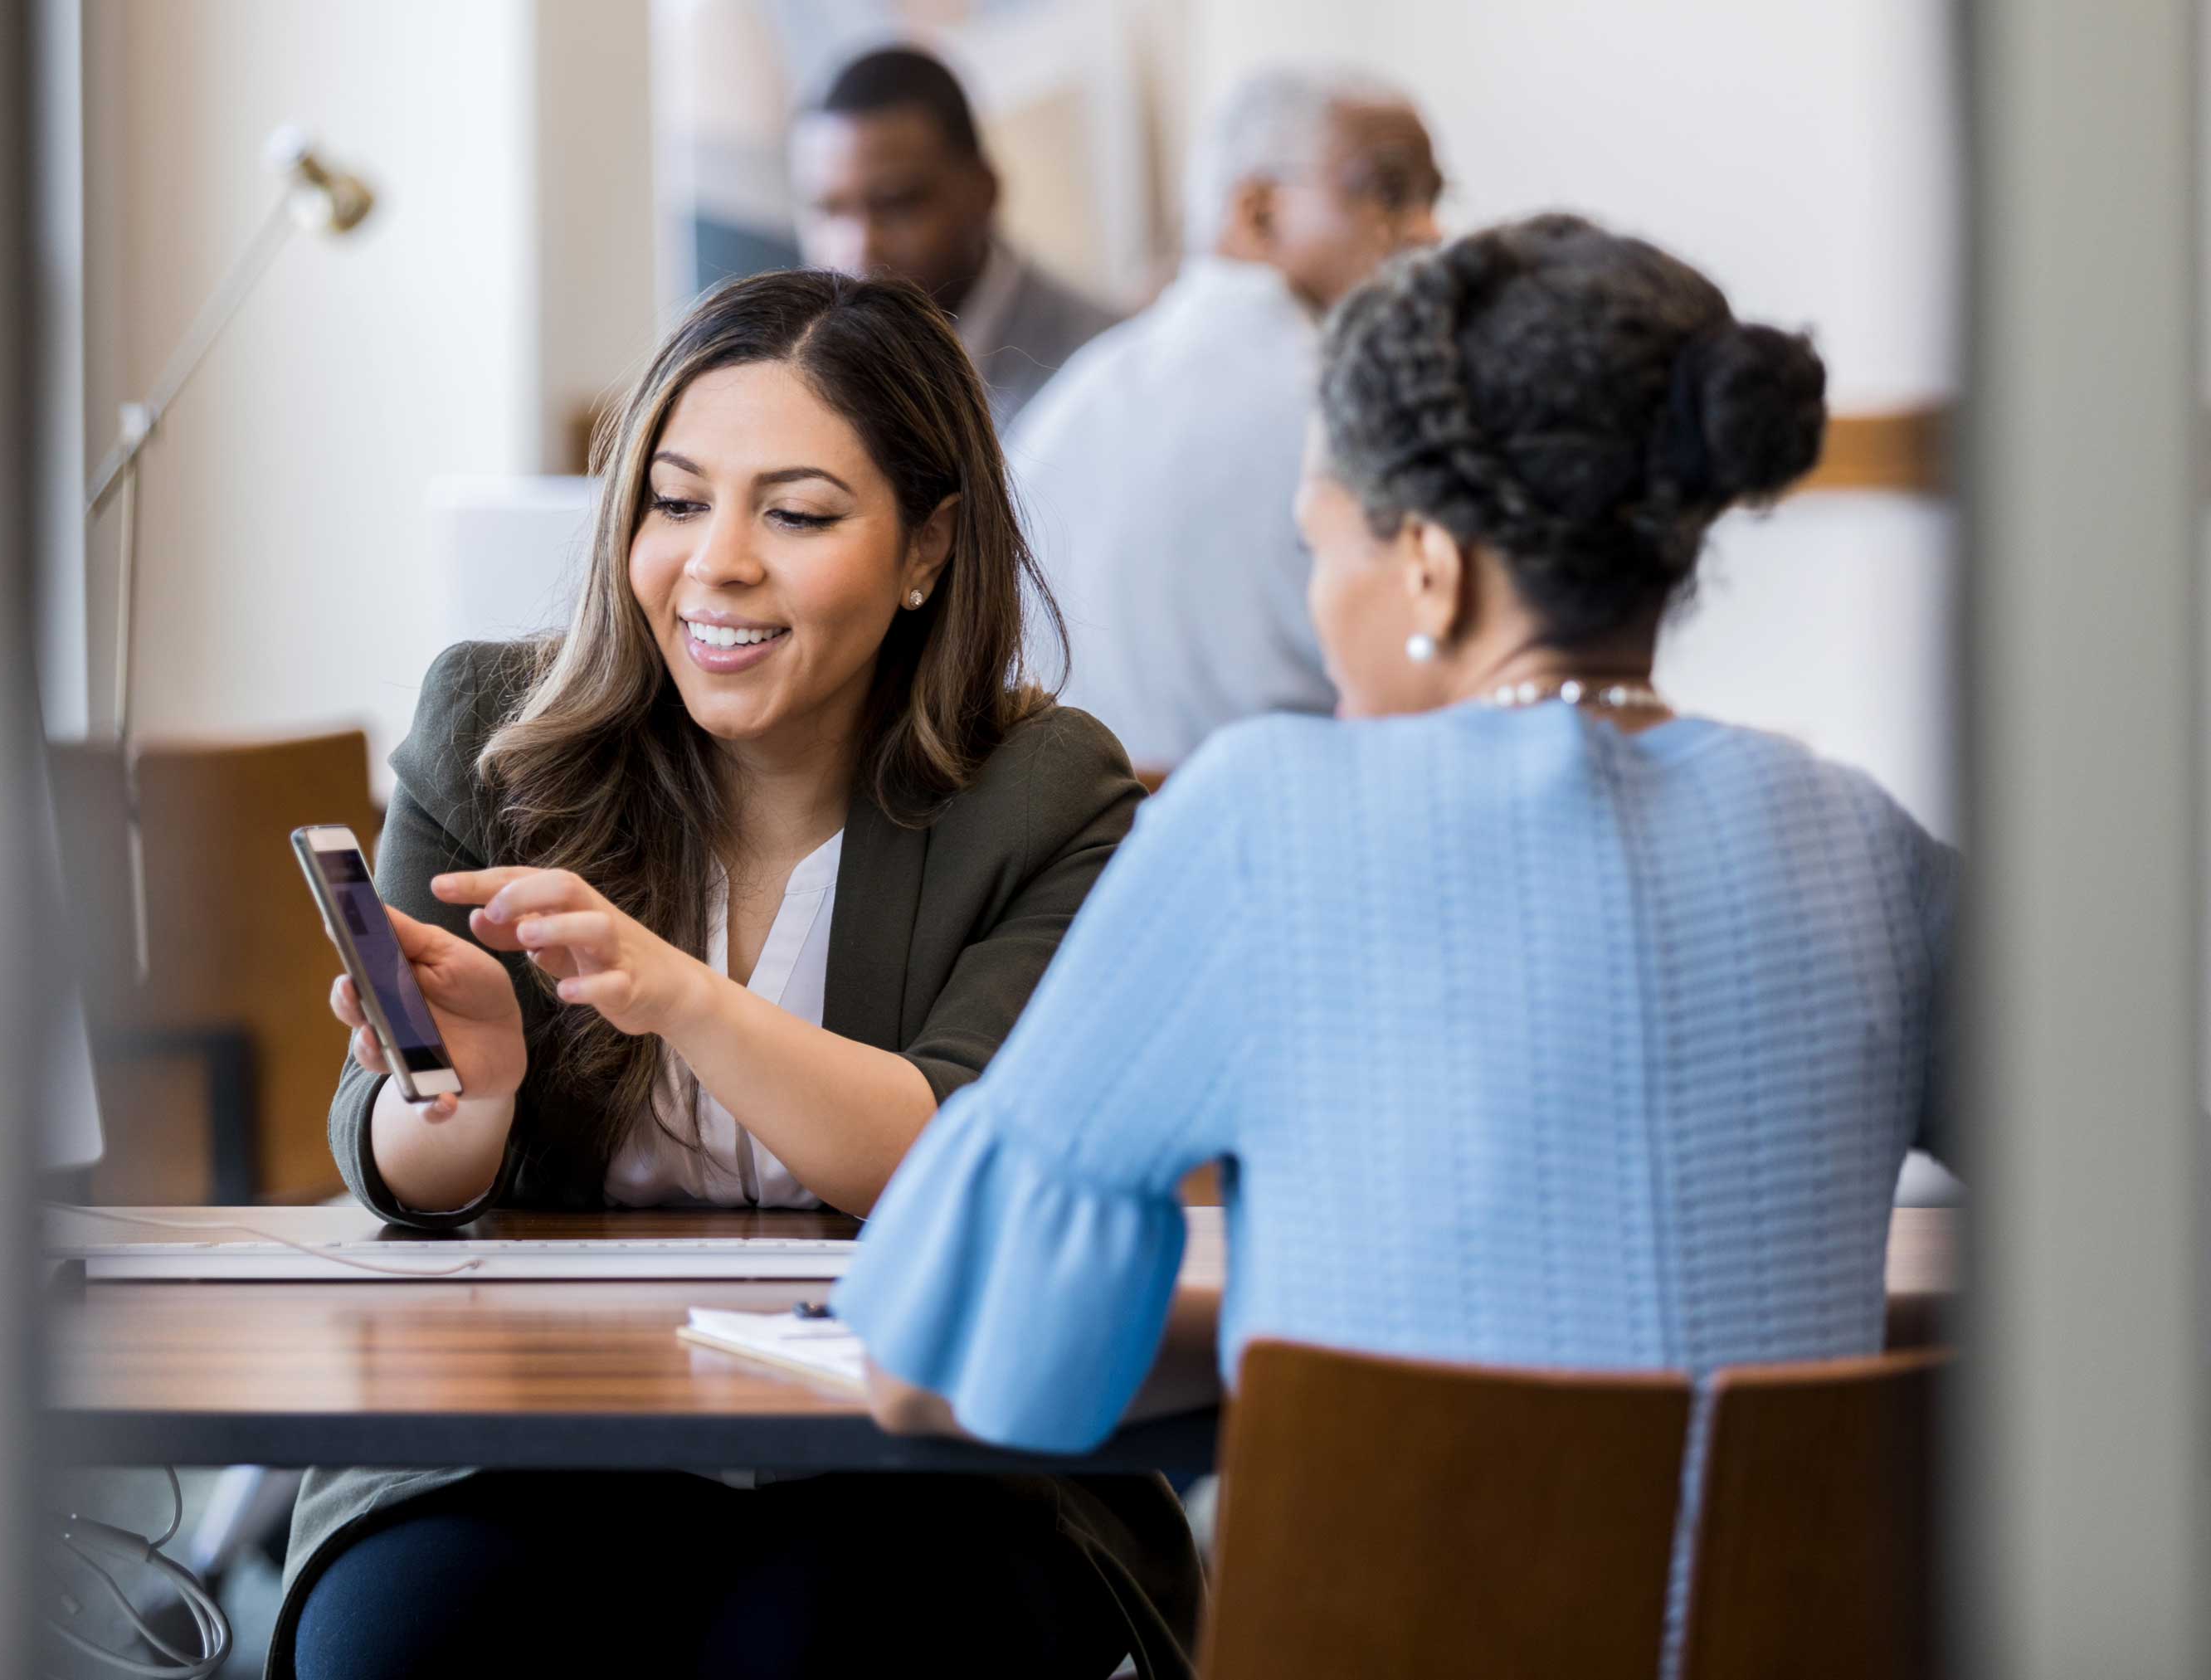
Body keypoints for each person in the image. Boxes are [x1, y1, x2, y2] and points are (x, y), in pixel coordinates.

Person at [838, 214, 1952, 1497]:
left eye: (1319, 547)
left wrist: (1294, 1340)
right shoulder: (1864, 844)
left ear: (1430, 567)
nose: (1316, 607)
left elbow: (938, 1364)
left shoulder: (1264, 818)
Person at [275, 270, 1195, 1680]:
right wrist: (463, 1095)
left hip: (922, 1463)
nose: (717, 562)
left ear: (927, 550)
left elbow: (966, 1160)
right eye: (677, 499)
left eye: (800, 513)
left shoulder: (1045, 791)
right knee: (406, 1645)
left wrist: (684, 997)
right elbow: (400, 1165)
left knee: (820, 1647)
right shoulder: (490, 733)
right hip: (529, 1447)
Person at [1011, 66, 1444, 777]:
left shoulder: (1071, 403)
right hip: (1309, 847)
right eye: (1389, 192)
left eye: (1435, 197)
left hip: (1075, 866)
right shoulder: (1360, 406)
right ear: (1258, 211)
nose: (1430, 232)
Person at [790, 44, 1121, 430]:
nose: (860, 247)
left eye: (897, 204)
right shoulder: (799, 367)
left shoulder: (1098, 370)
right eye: (829, 210)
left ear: (985, 190)